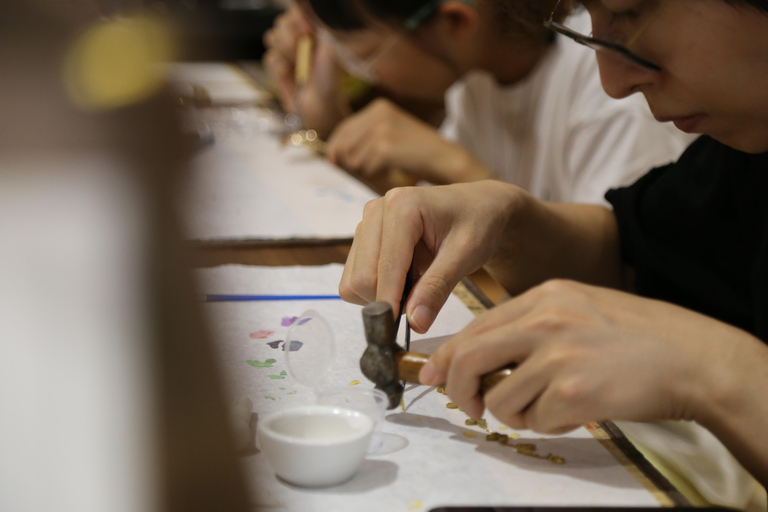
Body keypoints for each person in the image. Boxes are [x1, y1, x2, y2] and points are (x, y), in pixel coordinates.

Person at [339, 0, 768, 493]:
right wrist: (509, 221)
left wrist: (716, 371)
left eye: (629, 14)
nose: (613, 82)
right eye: (593, 23)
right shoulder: (747, 150)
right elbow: (637, 250)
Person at [263, 0, 691, 204]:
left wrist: (457, 167)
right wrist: (319, 92)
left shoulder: (609, 89)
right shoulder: (476, 83)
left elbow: (619, 279)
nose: (358, 71)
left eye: (363, 54)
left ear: (455, 20)